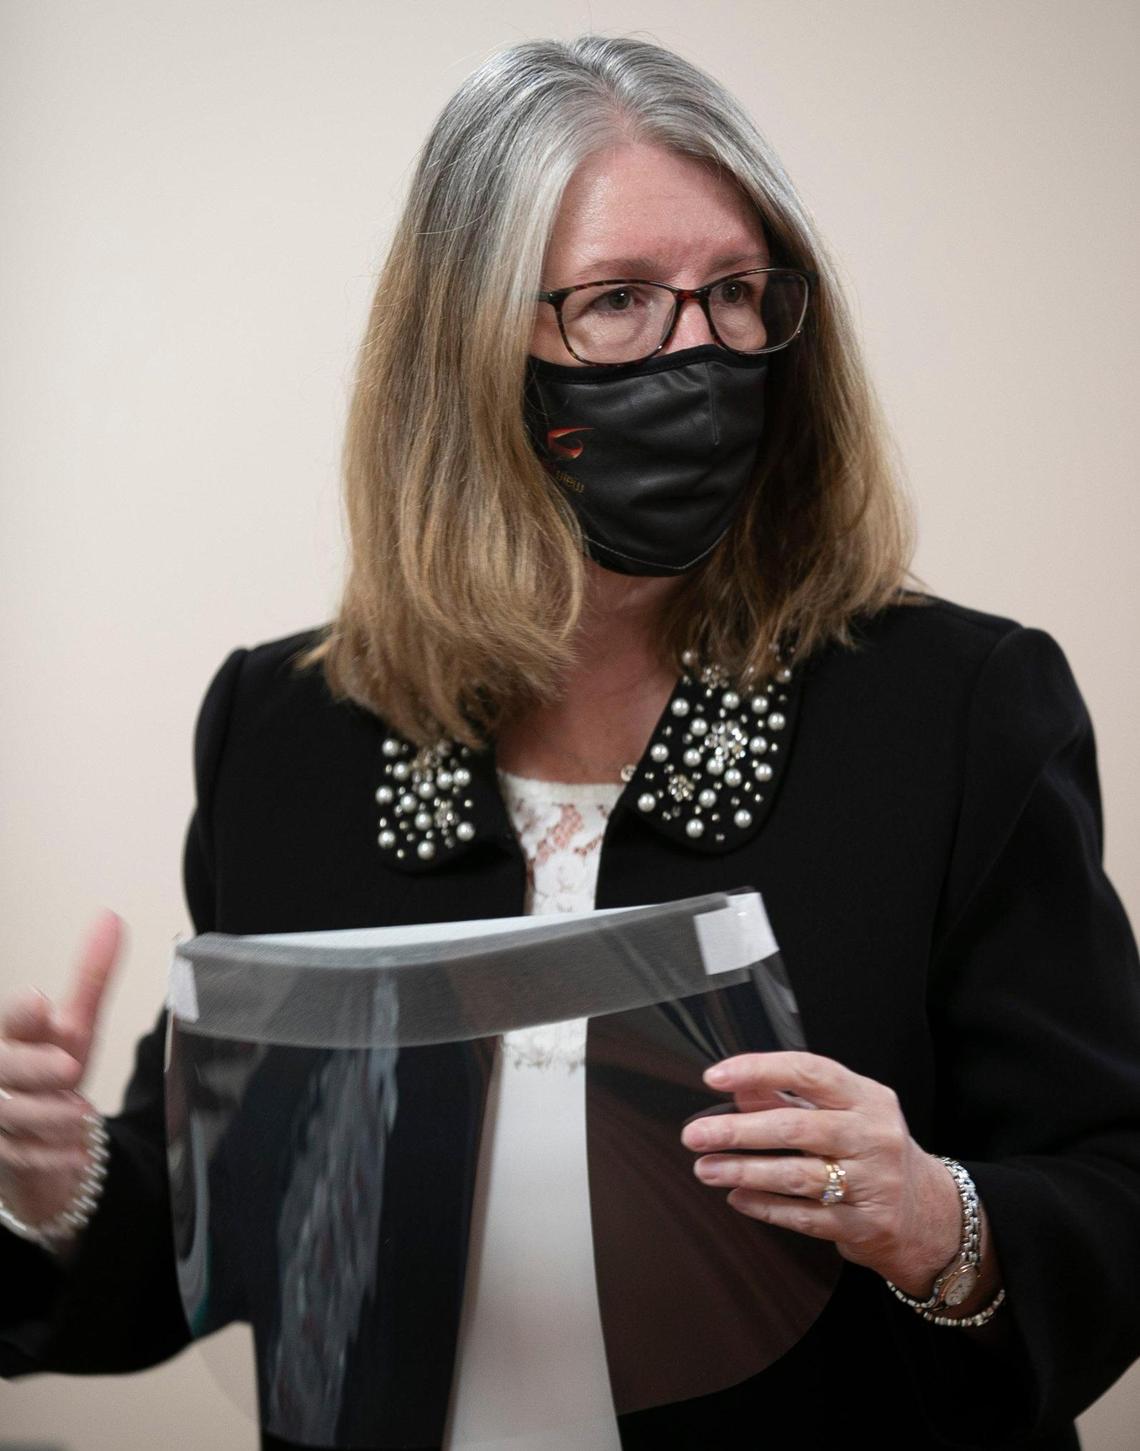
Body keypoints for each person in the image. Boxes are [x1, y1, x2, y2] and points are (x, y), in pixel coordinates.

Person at [2, 32, 1140, 1451]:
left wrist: (936, 1218)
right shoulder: (288, 732)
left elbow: (1112, 1187)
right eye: (617, 303)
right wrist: (55, 1186)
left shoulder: (956, 706)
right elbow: (209, 1256)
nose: (701, 353)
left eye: (735, 293)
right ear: (469, 348)